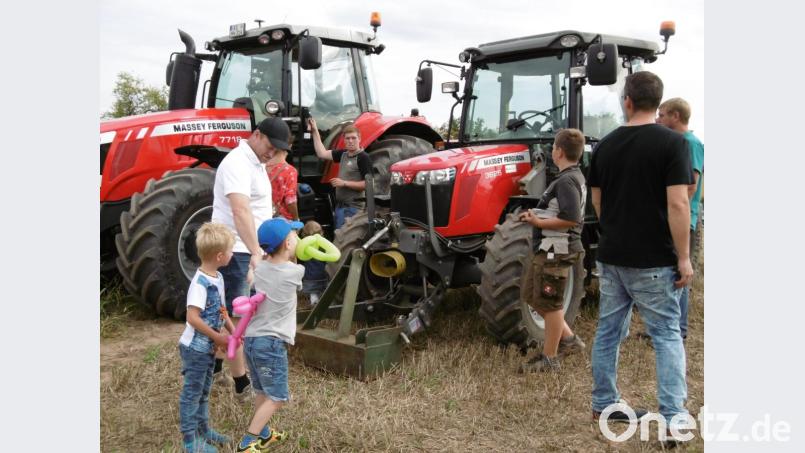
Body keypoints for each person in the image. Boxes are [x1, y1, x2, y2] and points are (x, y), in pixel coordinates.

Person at [587, 71, 694, 430]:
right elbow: (679, 203)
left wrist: (616, 229)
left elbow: (597, 200)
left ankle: (603, 404)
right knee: (665, 334)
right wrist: (683, 257)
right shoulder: (673, 144)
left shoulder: (604, 145)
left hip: (612, 255)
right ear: (657, 102)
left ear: (627, 101)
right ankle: (673, 416)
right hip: (654, 259)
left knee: (608, 331)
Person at [212, 117, 292, 396]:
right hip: (237, 251)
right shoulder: (237, 163)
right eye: (270, 145)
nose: (272, 153)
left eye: (277, 149)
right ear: (256, 134)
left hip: (248, 249)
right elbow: (240, 211)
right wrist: (256, 252)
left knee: (231, 313)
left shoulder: (255, 163)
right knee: (236, 317)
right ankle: (241, 383)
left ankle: (215, 371)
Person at [517, 129, 588, 373]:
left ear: (558, 152)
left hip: (557, 249)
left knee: (551, 303)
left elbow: (571, 219)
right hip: (549, 247)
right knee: (534, 297)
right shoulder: (570, 176)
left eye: (553, 148)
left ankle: (550, 358)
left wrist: (538, 223)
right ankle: (569, 341)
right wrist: (535, 215)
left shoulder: (567, 181)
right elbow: (558, 211)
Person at [236, 218, 305, 452]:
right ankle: (248, 441)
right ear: (287, 243)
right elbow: (299, 258)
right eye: (294, 236)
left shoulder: (261, 269)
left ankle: (264, 434)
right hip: (271, 343)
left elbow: (255, 272)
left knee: (262, 391)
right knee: (277, 397)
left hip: (252, 340)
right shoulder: (295, 272)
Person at [178, 223, 236, 453]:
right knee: (192, 394)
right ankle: (190, 442)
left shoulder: (218, 277)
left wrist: (231, 331)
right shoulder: (199, 284)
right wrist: (217, 337)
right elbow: (192, 318)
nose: (233, 254)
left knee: (204, 390)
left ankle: (203, 430)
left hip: (210, 346)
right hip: (195, 348)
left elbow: (222, 309)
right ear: (220, 255)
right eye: (231, 250)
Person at [657, 97, 704, 340]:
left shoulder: (689, 143)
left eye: (662, 114)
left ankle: (680, 329)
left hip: (685, 219)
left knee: (680, 273)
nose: (658, 119)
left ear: (676, 116)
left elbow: (690, 186)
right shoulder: (674, 142)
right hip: (673, 216)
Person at [307, 118, 371, 229]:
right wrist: (315, 130)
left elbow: (368, 185)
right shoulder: (343, 154)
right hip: (340, 208)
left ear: (359, 138)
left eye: (353, 138)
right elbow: (321, 153)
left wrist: (344, 183)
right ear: (344, 140)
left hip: (353, 209)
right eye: (347, 138)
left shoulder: (363, 157)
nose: (350, 141)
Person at [265, 146, 299, 221]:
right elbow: (290, 200)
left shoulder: (261, 166)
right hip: (280, 219)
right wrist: (296, 219)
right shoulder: (290, 171)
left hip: (259, 214)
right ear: (289, 146)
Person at [300, 221, 328, 305]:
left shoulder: (304, 246)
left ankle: (314, 306)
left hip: (310, 279)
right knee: (324, 295)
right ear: (321, 233)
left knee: (314, 296)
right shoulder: (324, 245)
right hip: (323, 276)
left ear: (304, 235)